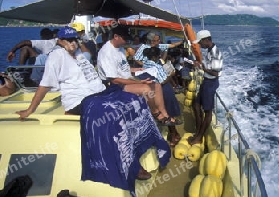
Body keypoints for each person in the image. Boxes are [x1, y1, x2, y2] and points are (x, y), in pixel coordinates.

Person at [15, 27, 167, 185]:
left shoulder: (79, 54)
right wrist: (30, 110)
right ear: (59, 41)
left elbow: (89, 66)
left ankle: (142, 143)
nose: (73, 43)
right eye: (69, 40)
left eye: (75, 39)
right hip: (80, 101)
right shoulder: (56, 56)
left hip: (99, 93)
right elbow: (45, 85)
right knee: (116, 114)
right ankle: (131, 163)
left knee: (134, 102)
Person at [96, 25, 182, 127]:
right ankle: (157, 115)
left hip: (126, 78)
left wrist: (136, 69)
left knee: (157, 85)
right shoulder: (107, 53)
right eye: (125, 38)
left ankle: (165, 115)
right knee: (146, 89)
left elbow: (122, 69)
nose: (127, 41)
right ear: (116, 36)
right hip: (114, 86)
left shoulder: (120, 49)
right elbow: (115, 80)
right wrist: (139, 82)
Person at [140, 47, 182, 147]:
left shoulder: (145, 64)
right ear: (155, 57)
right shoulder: (156, 66)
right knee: (169, 113)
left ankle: (173, 134)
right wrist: (171, 74)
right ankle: (174, 136)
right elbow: (163, 81)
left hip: (152, 91)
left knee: (161, 114)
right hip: (164, 90)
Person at [188, 30, 223, 146]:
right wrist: (200, 65)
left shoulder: (215, 53)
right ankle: (198, 131)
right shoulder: (208, 51)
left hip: (211, 83)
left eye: (200, 42)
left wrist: (202, 68)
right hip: (206, 81)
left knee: (208, 112)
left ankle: (199, 137)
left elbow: (216, 73)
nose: (199, 45)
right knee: (196, 104)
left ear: (206, 40)